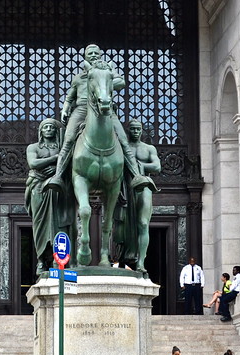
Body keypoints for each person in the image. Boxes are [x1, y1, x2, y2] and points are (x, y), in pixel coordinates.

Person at [44, 44, 150, 193]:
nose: (93, 55)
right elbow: (70, 97)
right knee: (68, 139)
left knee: (124, 140)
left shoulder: (108, 70)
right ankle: (58, 176)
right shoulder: (79, 77)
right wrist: (65, 109)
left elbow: (121, 82)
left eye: (96, 53)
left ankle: (136, 176)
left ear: (100, 55)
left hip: (105, 110)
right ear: (85, 57)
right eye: (90, 54)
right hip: (81, 109)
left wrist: (104, 82)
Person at [25, 118, 73, 274]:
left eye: (51, 127)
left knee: (59, 223)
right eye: (45, 127)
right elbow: (33, 164)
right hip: (38, 187)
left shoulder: (62, 147)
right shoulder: (33, 147)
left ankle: (58, 258)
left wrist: (57, 170)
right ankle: (41, 259)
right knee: (40, 225)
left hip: (58, 189)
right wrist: (56, 159)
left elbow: (71, 164)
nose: (48, 129)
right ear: (40, 131)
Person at [113, 119, 161, 272]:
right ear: (128, 131)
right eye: (132, 129)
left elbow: (157, 166)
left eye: (137, 129)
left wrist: (139, 165)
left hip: (143, 185)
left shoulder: (148, 148)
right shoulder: (121, 147)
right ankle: (120, 259)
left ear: (141, 131)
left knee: (143, 223)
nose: (135, 132)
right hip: (124, 187)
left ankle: (141, 262)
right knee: (120, 226)